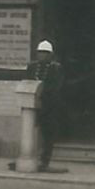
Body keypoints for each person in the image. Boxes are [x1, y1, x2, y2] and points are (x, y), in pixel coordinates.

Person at [32, 39, 66, 172]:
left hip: (49, 106)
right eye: (40, 53)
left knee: (48, 134)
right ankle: (32, 157)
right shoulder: (32, 67)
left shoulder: (55, 68)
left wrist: (43, 96)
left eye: (45, 53)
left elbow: (56, 86)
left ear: (50, 55)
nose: (42, 56)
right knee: (33, 132)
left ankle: (45, 160)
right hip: (33, 106)